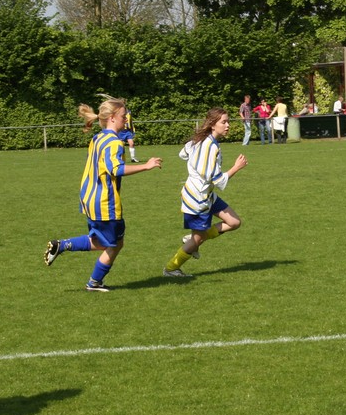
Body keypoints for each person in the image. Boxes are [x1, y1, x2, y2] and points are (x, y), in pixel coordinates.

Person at [44, 98, 162, 292]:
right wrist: (146, 166)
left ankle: (63, 247)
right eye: (123, 116)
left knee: (104, 241)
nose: (126, 119)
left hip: (89, 198)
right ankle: (92, 281)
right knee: (113, 244)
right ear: (113, 118)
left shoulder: (98, 138)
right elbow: (116, 169)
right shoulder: (115, 143)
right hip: (105, 202)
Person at [163, 108, 248, 278]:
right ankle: (171, 269)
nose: (228, 125)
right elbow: (217, 179)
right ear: (212, 125)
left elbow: (182, 154)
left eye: (228, 121)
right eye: (224, 122)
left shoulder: (202, 140)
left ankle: (192, 240)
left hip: (206, 195)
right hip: (197, 199)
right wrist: (236, 167)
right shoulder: (209, 146)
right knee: (198, 240)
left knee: (234, 222)